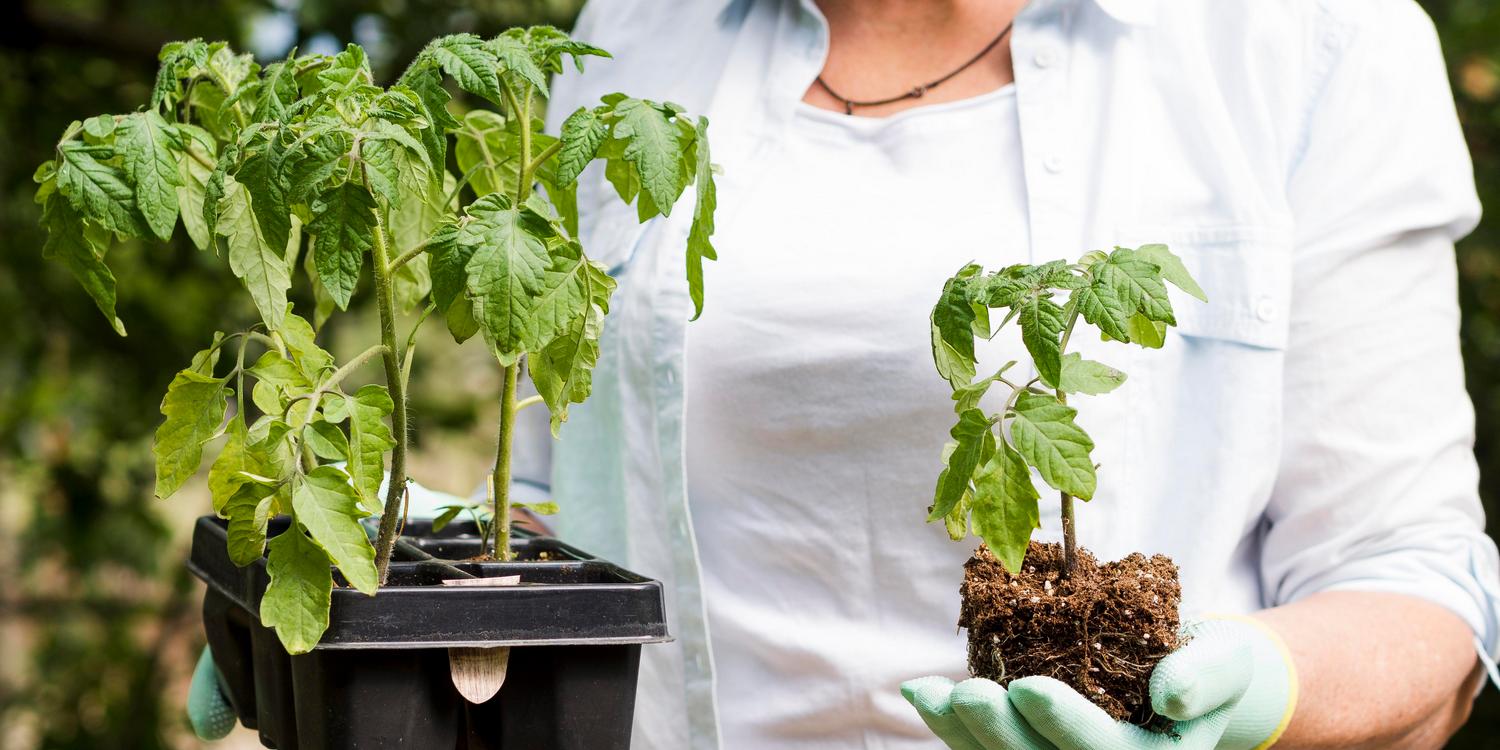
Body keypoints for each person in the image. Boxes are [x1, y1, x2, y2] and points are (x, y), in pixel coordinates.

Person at [191, 0, 1500, 748]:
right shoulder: (639, 37)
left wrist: (1252, 686)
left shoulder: (1302, 37)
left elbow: (1420, 590)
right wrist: (381, 592)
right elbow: (568, 496)